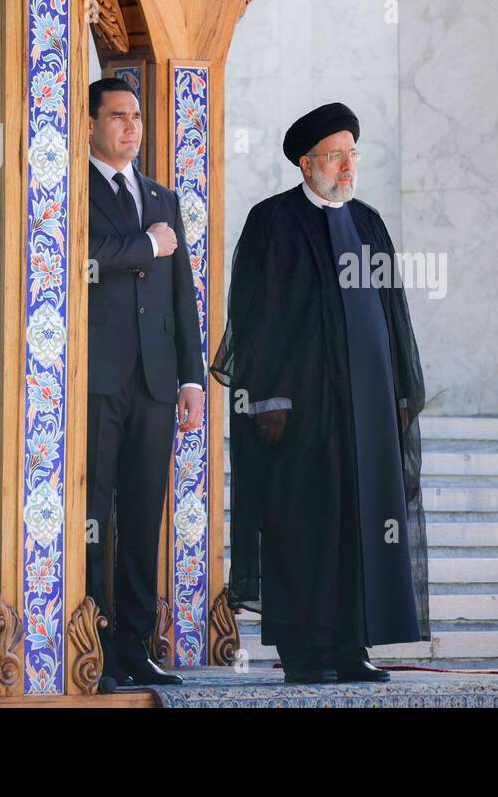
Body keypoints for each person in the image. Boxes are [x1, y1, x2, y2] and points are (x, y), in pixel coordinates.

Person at [211, 102, 431, 683]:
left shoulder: (369, 222)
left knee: (362, 521)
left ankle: (350, 646)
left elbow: (393, 313)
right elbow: (254, 318)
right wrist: (268, 397)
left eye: (352, 154)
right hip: (301, 409)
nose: (348, 167)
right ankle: (305, 652)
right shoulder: (273, 221)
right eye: (336, 156)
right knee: (305, 522)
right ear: (307, 164)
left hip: (367, 409)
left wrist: (403, 391)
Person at [85, 77, 204, 691]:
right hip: (94, 380)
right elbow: (78, 255)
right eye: (117, 117)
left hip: (157, 382)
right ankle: (90, 646)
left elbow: (182, 295)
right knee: (91, 515)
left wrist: (192, 379)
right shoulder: (71, 187)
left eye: (136, 117)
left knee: (141, 516)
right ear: (90, 124)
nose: (131, 127)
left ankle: (134, 648)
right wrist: (144, 247)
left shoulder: (162, 196)